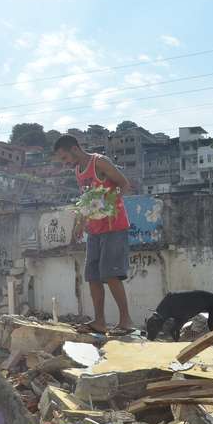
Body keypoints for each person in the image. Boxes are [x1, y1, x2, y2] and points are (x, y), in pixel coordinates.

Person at [52, 134, 134, 334]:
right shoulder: (78, 172)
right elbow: (86, 200)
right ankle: (99, 322)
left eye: (65, 158)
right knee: (93, 276)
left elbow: (125, 184)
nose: (65, 163)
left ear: (74, 149)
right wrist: (79, 224)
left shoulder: (100, 162)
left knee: (111, 273)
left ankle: (126, 322)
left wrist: (110, 202)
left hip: (114, 226)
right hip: (95, 230)